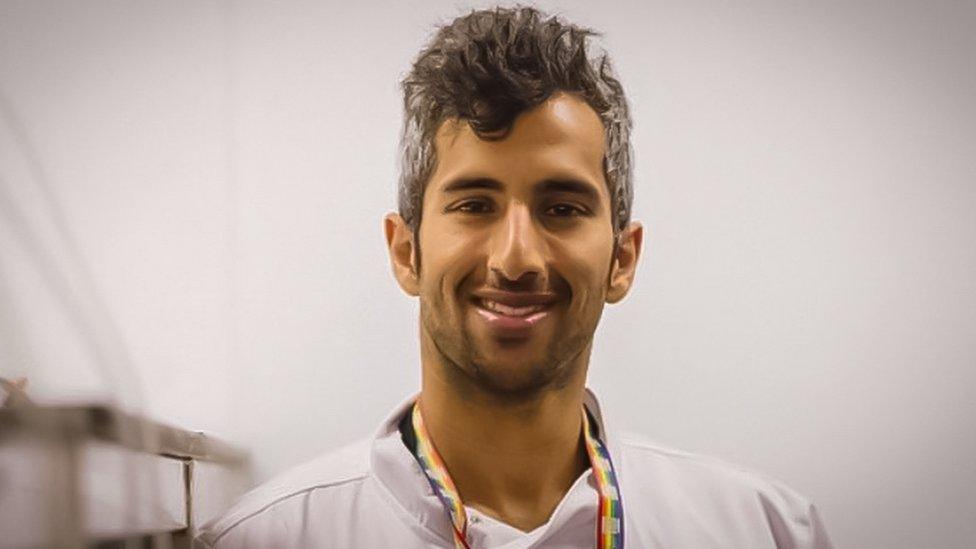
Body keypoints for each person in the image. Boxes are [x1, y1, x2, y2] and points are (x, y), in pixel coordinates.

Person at [195, 6, 833, 548]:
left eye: (562, 208)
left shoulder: (765, 530)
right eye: (475, 204)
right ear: (406, 252)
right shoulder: (267, 537)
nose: (516, 257)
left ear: (622, 259)